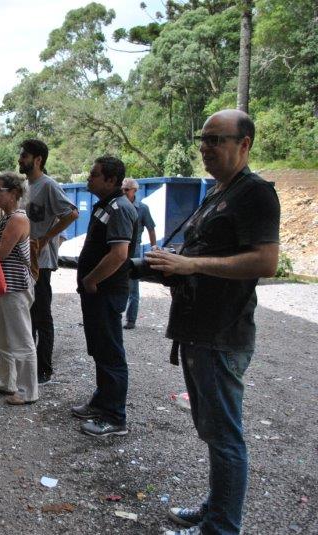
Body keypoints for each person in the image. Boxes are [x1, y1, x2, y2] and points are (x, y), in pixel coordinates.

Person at [146, 110, 280, 535]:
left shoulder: (255, 193)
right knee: (212, 430)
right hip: (198, 328)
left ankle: (221, 527)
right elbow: (204, 254)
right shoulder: (219, 191)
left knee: (224, 436)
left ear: (244, 144)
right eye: (202, 139)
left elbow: (266, 261)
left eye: (216, 140)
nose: (205, 148)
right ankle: (215, 509)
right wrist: (173, 265)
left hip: (223, 331)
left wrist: (192, 265)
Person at [72, 156, 137, 437]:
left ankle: (114, 416)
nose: (89, 178)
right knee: (100, 349)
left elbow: (119, 254)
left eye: (94, 174)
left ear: (111, 180)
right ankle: (102, 402)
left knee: (110, 353)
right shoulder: (105, 205)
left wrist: (91, 279)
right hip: (96, 292)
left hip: (106, 292)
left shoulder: (120, 208)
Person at [18, 140, 78, 385]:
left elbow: (71, 213)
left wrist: (45, 238)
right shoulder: (25, 186)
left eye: (24, 155)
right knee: (26, 315)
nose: (20, 159)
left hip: (41, 262)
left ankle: (44, 369)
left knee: (42, 316)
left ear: (38, 159)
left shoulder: (49, 185)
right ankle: (28, 365)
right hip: (24, 261)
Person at [0, 172, 38, 406]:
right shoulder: (7, 218)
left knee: (21, 337)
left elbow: (1, 252)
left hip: (16, 286)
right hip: (4, 284)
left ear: (14, 193)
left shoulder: (17, 219)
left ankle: (28, 391)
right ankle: (8, 381)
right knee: (2, 336)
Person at [121, 177, 157, 329]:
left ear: (134, 191)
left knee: (133, 287)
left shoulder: (142, 208)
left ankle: (131, 320)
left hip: (133, 252)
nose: (123, 192)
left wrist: (154, 247)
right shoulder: (118, 206)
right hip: (118, 249)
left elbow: (151, 228)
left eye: (126, 190)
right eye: (122, 189)